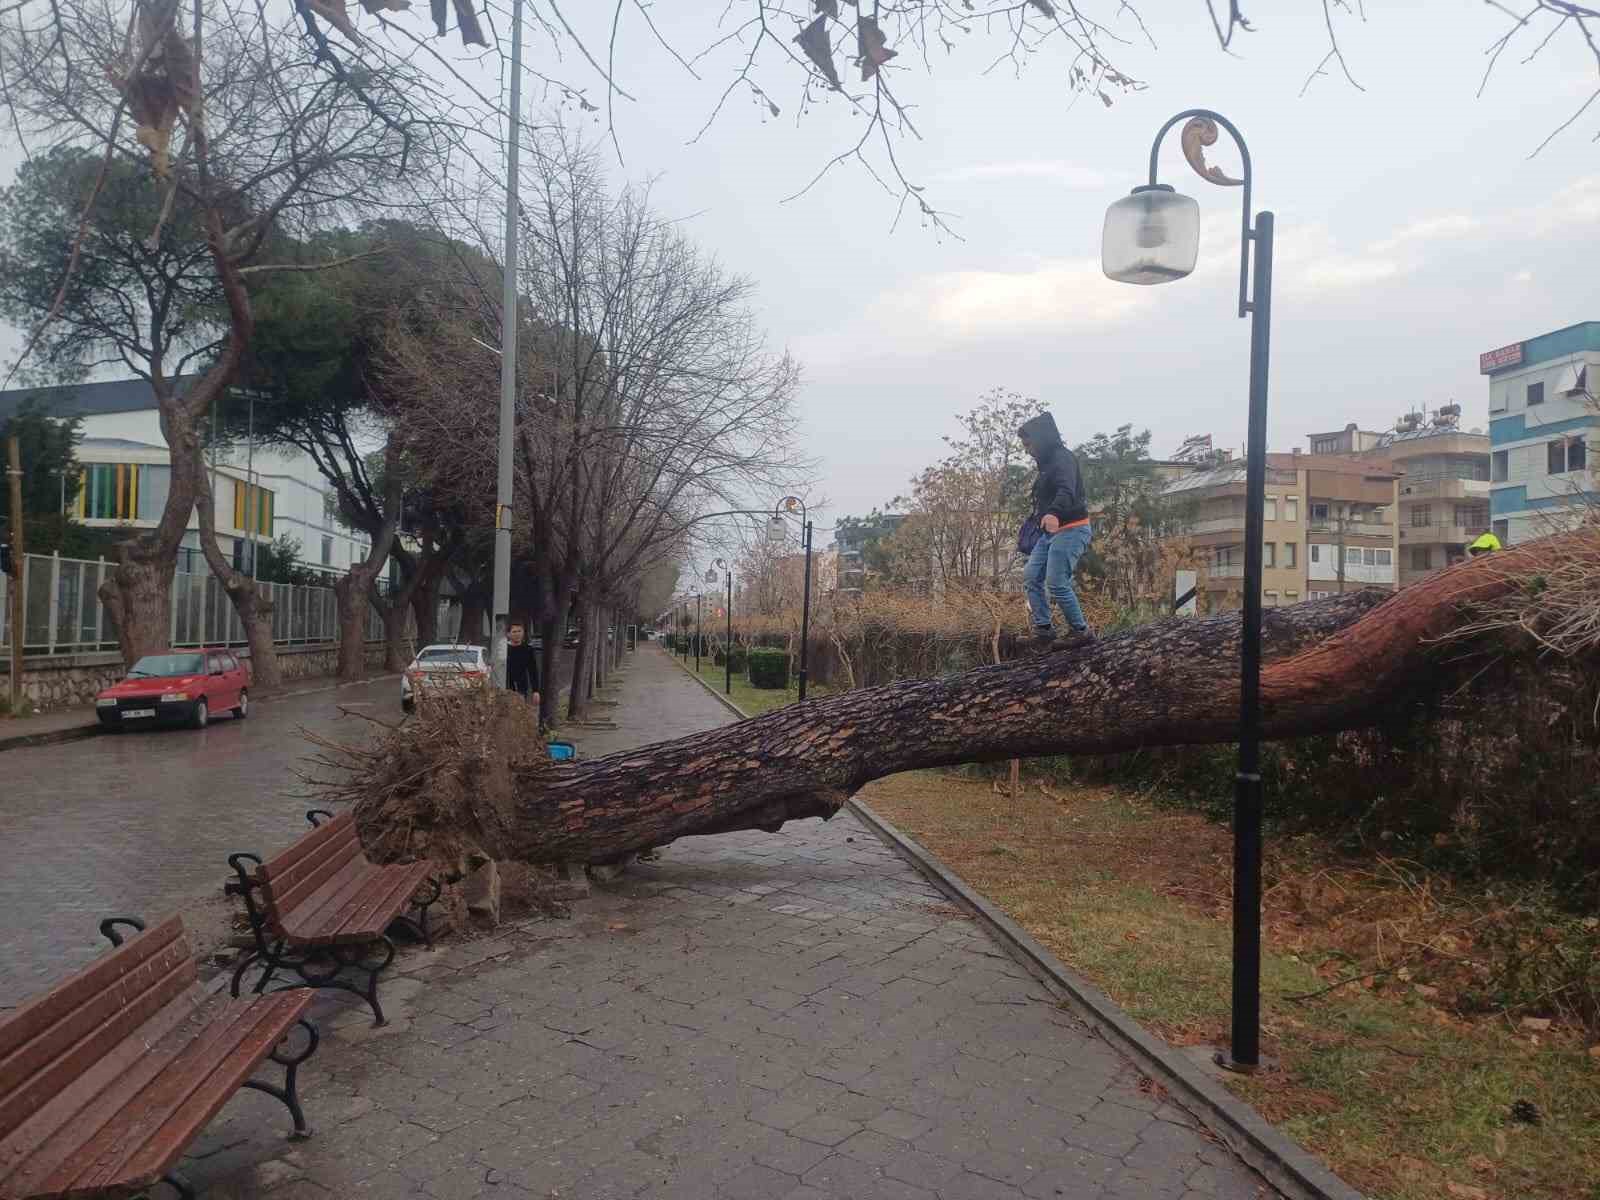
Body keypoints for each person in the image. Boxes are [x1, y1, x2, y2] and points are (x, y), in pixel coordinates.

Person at [1017, 412, 1094, 654]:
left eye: (1028, 444)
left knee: (1056, 581)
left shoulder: (1063, 459)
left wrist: (1053, 513)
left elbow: (1066, 490)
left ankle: (1081, 631)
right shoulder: (1046, 465)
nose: (1027, 450)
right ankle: (1044, 630)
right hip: (1050, 532)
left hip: (1072, 528)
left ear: (1041, 439)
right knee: (1031, 575)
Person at [505, 622, 541, 710]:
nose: (517, 634)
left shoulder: (528, 649)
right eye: (514, 631)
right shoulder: (503, 649)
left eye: (519, 631)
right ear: (508, 634)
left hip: (522, 687)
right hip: (505, 686)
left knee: (519, 711)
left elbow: (533, 671)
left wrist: (535, 691)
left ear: (523, 633)